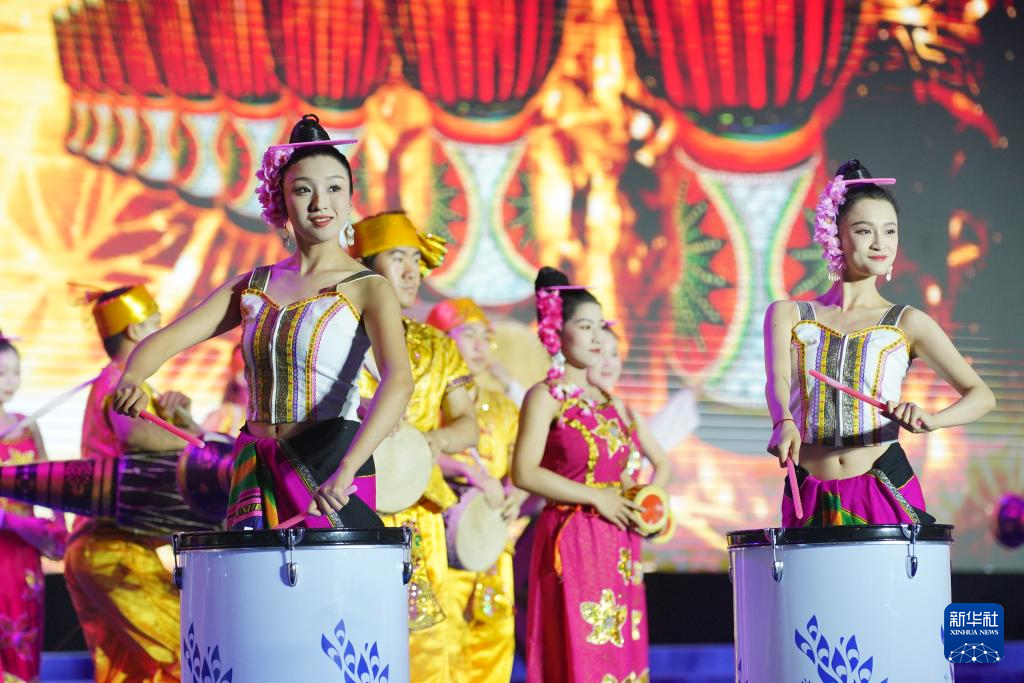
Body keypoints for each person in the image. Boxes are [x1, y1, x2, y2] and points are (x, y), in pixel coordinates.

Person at [111, 113, 413, 532]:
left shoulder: (369, 288)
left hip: (330, 468)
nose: (320, 203)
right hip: (255, 464)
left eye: (334, 188)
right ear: (282, 201)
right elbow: (167, 340)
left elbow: (398, 381)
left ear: (349, 199)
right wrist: (132, 379)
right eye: (303, 190)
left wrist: (348, 467)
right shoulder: (253, 286)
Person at [763, 159, 996, 526]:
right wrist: (783, 421)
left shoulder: (908, 322)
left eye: (890, 231)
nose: (880, 243)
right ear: (834, 235)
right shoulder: (789, 314)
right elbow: (776, 378)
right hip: (808, 491)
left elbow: (982, 395)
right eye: (863, 230)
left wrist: (932, 420)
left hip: (884, 488)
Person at [512, 267, 664, 682]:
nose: (597, 336)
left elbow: (627, 473)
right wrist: (597, 497)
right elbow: (524, 471)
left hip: (620, 541)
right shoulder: (545, 397)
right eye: (584, 326)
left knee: (621, 653)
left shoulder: (610, 403)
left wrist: (643, 505)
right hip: (574, 535)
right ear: (556, 332)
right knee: (585, 651)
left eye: (600, 325)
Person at [352, 212, 479, 683]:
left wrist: (429, 440)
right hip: (352, 506)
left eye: (415, 260)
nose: (412, 272)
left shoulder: (438, 346)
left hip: (419, 514)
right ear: (364, 268)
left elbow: (467, 426)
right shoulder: (333, 336)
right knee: (356, 637)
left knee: (426, 648)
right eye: (397, 258)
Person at [65, 285, 196, 682]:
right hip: (114, 550)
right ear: (136, 332)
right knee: (190, 655)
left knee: (129, 673)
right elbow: (135, 435)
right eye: (157, 324)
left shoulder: (113, 382)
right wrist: (202, 443)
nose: (164, 333)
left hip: (98, 549)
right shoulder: (121, 383)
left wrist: (180, 419)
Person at [426, 298, 526, 682]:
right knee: (441, 648)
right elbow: (412, 452)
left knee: (493, 644)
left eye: (486, 337)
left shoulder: (504, 407)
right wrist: (464, 471)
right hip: (439, 538)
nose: (481, 346)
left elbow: (522, 465)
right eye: (469, 335)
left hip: (492, 545)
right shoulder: (427, 401)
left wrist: (515, 493)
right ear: (440, 339)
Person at [0, 332, 67, 683]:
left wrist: (59, 527)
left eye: (15, 372)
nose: (10, 381)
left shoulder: (26, 423)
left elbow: (49, 483)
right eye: (1, 373)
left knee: (24, 633)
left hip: (24, 548)